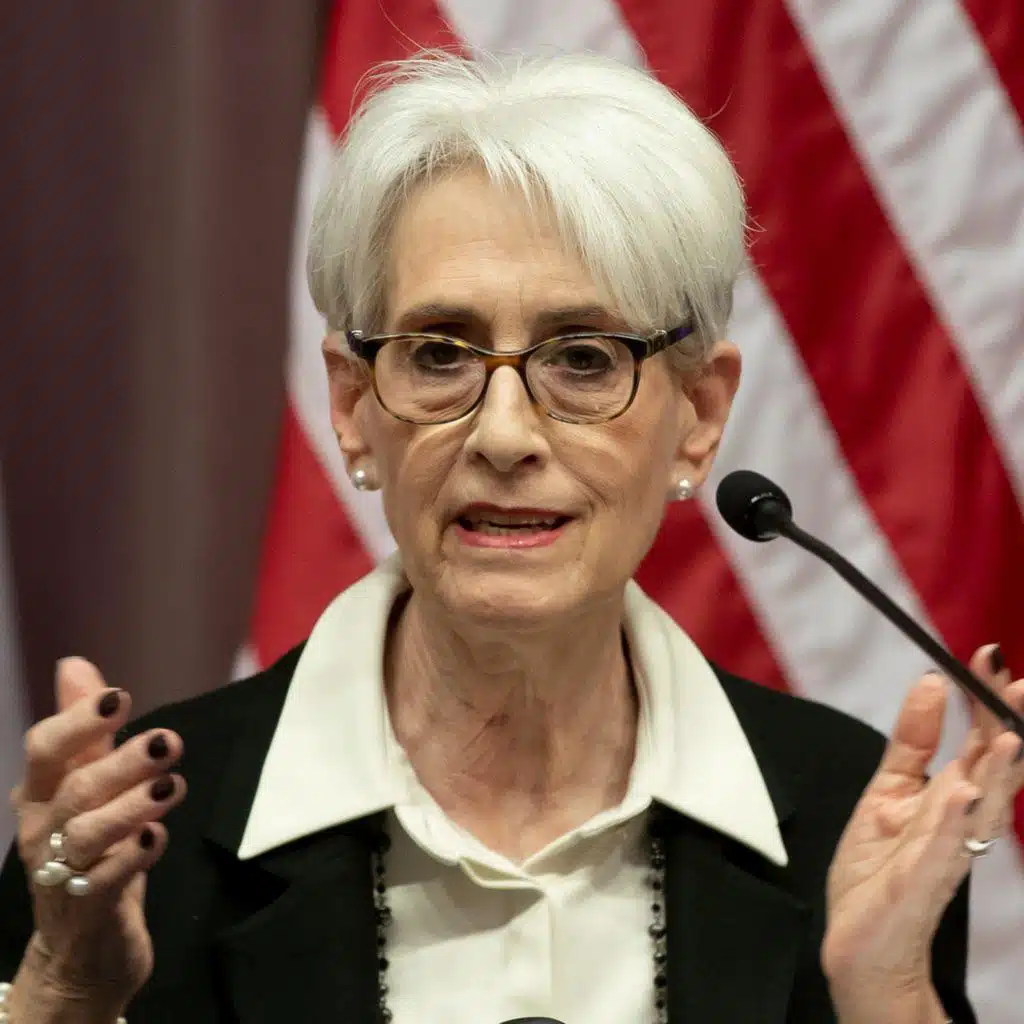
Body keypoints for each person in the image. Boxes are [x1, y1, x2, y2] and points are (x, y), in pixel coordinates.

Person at [1, 51, 1022, 1024]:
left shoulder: (845, 811)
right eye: (438, 354)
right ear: (353, 407)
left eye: (583, 358)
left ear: (699, 416)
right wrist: (64, 992)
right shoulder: (133, 835)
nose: (502, 435)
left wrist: (886, 998)